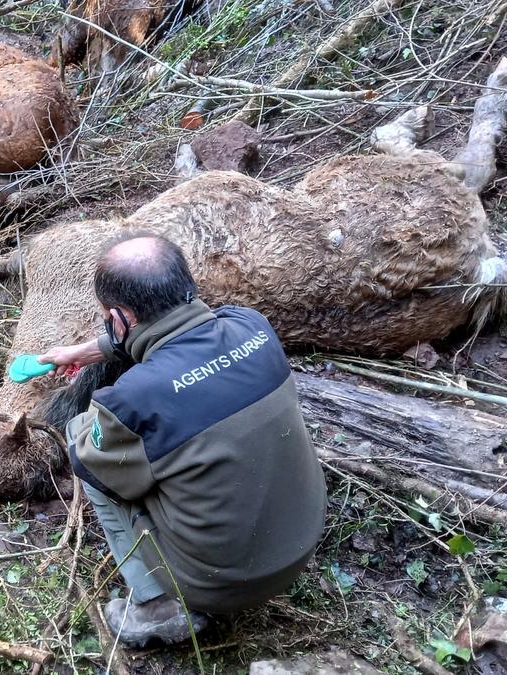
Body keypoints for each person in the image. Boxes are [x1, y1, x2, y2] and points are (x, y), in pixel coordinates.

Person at [38, 233, 327, 648]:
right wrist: (84, 352)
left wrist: (100, 429)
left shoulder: (132, 399)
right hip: (299, 547)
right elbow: (169, 331)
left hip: (220, 584)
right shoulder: (252, 326)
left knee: (82, 439)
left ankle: (156, 605)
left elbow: (96, 460)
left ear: (118, 318)